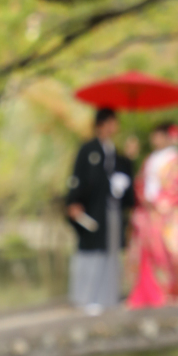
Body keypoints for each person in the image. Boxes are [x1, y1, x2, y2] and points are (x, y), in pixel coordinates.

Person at [66, 108, 135, 312]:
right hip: (92, 210)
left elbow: (122, 176)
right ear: (103, 124)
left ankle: (108, 297)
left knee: (111, 251)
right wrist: (74, 201)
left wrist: (129, 160)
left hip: (111, 210)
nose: (116, 126)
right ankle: (87, 298)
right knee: (91, 252)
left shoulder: (114, 151)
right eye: (113, 122)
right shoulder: (88, 149)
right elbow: (78, 178)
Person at [127, 121, 178, 307]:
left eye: (157, 135)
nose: (154, 139)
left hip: (166, 213)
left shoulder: (174, 160)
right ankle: (152, 290)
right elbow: (141, 183)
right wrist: (144, 199)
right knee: (147, 250)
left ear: (165, 137)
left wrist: (158, 203)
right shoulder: (151, 159)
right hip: (149, 211)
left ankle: (171, 289)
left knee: (169, 250)